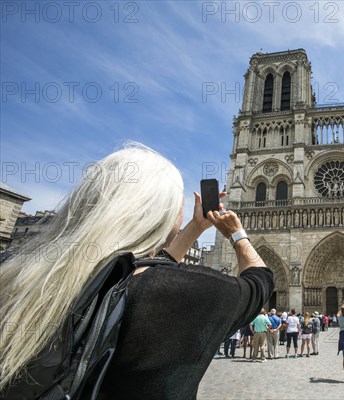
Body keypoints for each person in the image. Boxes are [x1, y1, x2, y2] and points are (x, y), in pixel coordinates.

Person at [0, 144, 274, 399]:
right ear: (161, 217)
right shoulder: (188, 291)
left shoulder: (18, 276)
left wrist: (195, 227)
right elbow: (260, 281)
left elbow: (143, 273)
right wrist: (237, 234)